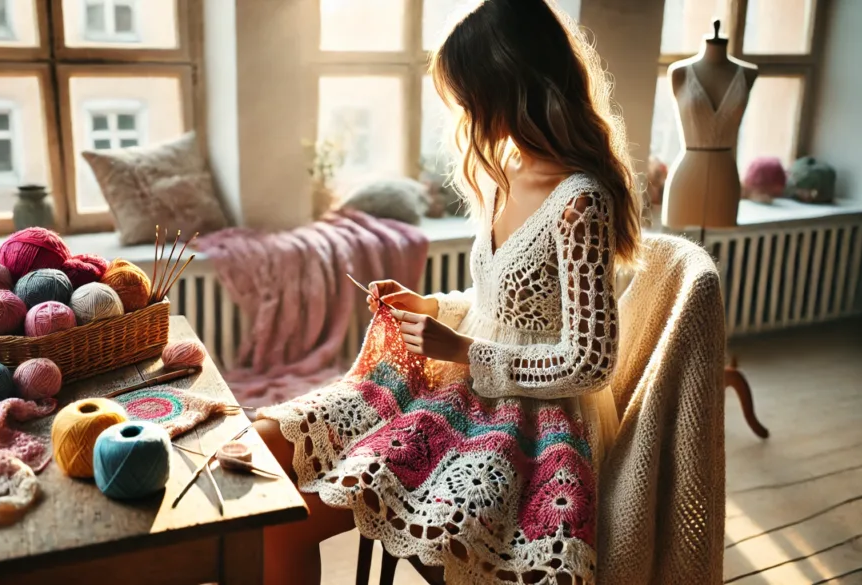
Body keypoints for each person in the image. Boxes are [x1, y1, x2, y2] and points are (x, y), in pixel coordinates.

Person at [253, 0, 643, 583]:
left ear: (510, 87)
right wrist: (431, 307)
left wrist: (460, 350)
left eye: (469, 98)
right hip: (461, 389)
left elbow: (590, 363)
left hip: (531, 422)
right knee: (267, 450)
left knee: (294, 510)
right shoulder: (502, 177)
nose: (464, 114)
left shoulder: (580, 201)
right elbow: (501, 307)